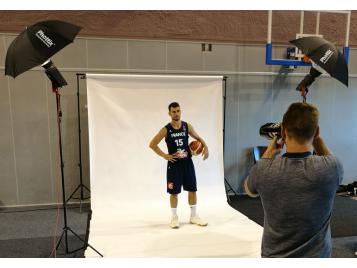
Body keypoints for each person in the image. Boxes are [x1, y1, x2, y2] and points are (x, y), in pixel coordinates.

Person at [244, 102, 343, 257]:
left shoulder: (264, 168)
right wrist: (316, 138)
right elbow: (328, 156)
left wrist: (269, 152)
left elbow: (249, 190)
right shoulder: (332, 168)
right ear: (317, 132)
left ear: (283, 132)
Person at [149, 102, 209, 228]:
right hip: (174, 165)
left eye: (178, 111)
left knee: (192, 189)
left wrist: (206, 147)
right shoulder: (166, 129)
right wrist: (165, 155)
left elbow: (198, 137)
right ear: (169, 113)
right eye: (173, 111)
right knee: (174, 192)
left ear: (180, 111)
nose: (176, 113)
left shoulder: (187, 126)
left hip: (187, 163)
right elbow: (152, 144)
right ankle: (174, 218)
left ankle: (193, 216)